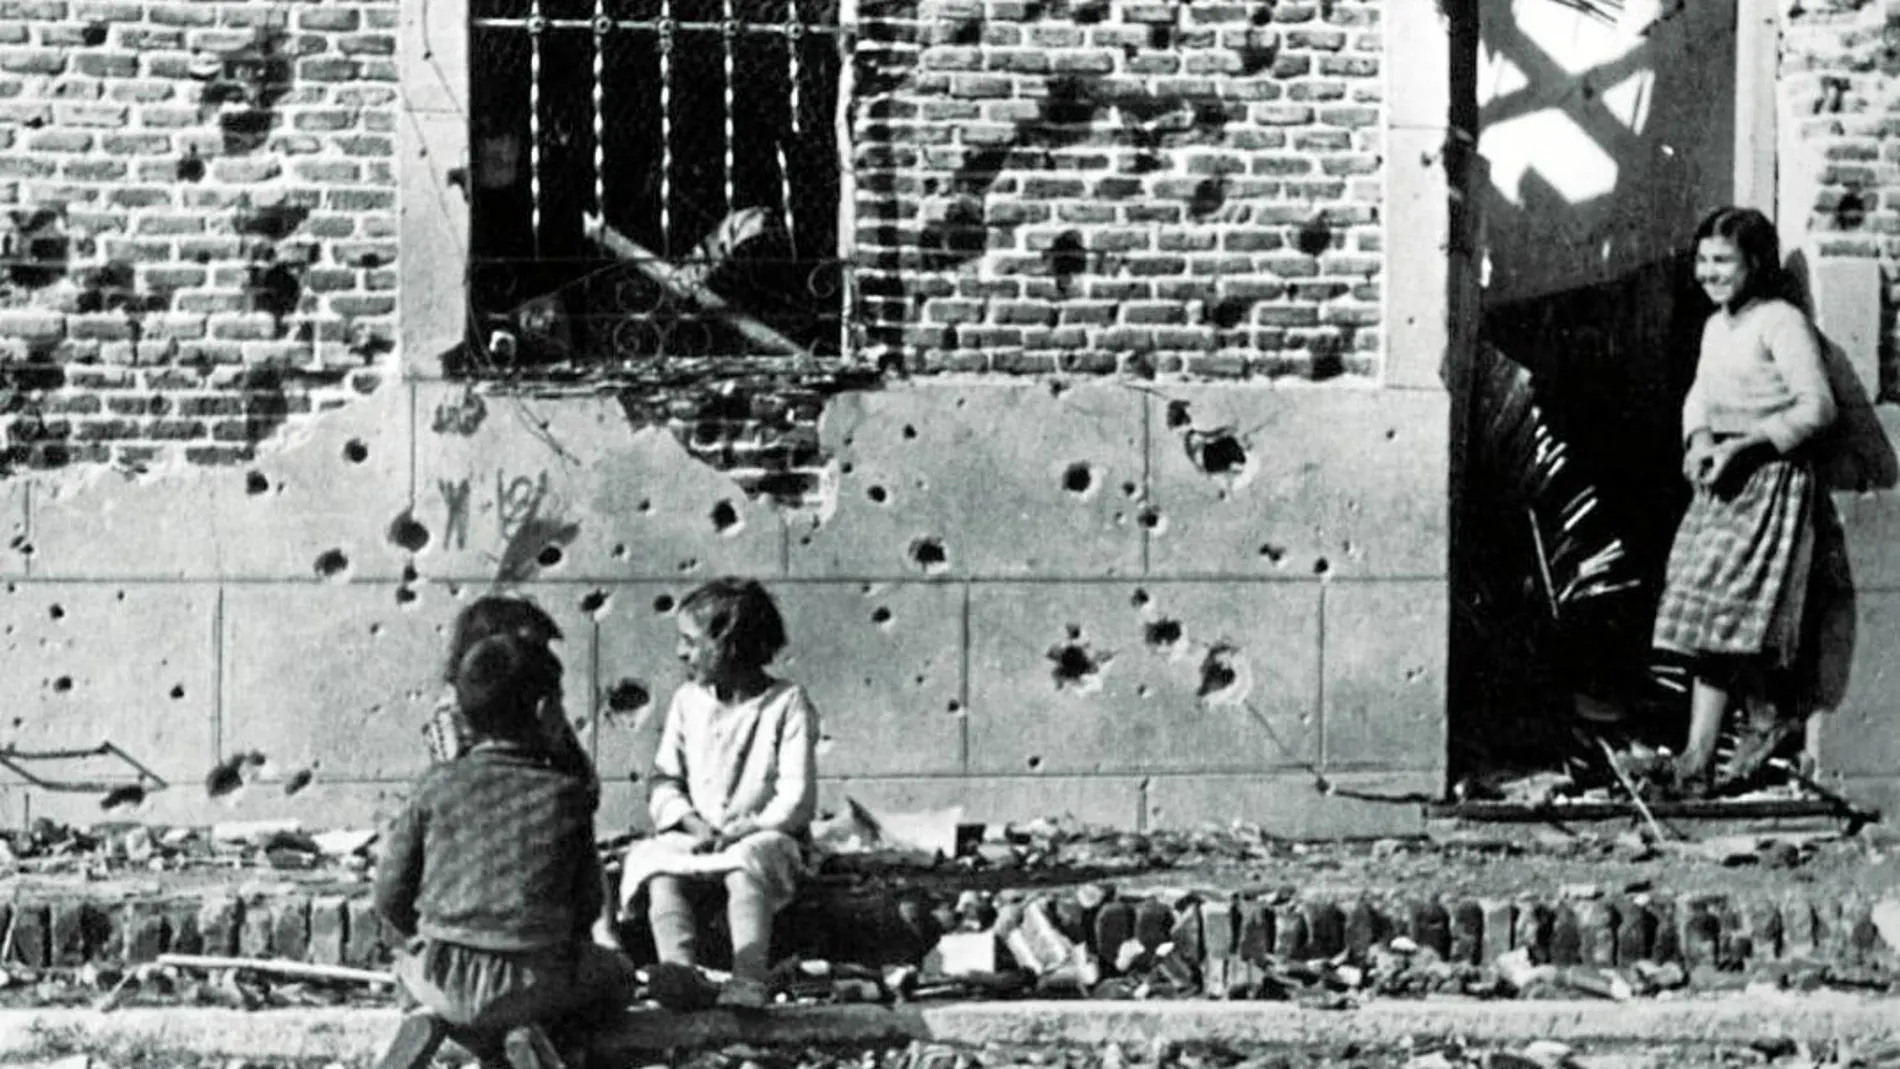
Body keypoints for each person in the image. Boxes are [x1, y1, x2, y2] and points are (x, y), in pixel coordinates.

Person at [373, 631, 635, 1069]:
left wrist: (423, 937)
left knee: (406, 968)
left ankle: (442, 1022)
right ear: (545, 710)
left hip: (444, 977)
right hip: (539, 981)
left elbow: (389, 892)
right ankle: (536, 1035)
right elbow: (587, 905)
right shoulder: (566, 794)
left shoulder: (436, 785)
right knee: (618, 977)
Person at [1653, 206, 1838, 797]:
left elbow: (1818, 408)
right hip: (1722, 478)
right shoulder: (1716, 328)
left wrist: (1748, 447)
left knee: (1723, 615)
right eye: (1703, 260)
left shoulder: (1780, 322)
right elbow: (1699, 397)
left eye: (1724, 261)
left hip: (1768, 479)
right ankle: (1748, 727)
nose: (1710, 273)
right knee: (1704, 608)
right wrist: (1702, 441)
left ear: (1755, 263)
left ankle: (1701, 759)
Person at [615, 578, 819, 1011]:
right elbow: (665, 779)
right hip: (700, 833)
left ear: (730, 644)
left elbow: (795, 795)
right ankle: (681, 972)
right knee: (654, 863)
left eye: (690, 641)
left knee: (748, 864)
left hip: (765, 835)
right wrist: (692, 823)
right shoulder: (688, 702)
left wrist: (749, 828)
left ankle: (748, 977)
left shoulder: (786, 703)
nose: (680, 653)